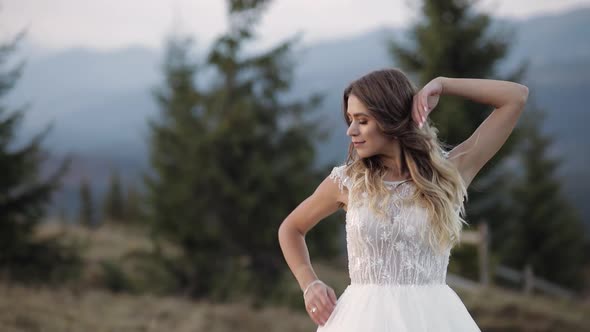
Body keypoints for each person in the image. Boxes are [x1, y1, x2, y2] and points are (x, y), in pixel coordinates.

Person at [277, 68, 528, 331]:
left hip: (434, 320)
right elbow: (291, 228)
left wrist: (443, 84)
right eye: (350, 119)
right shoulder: (347, 182)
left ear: (391, 120)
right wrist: (310, 284)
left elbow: (515, 97)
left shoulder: (448, 174)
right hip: (360, 321)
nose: (351, 130)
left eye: (362, 120)